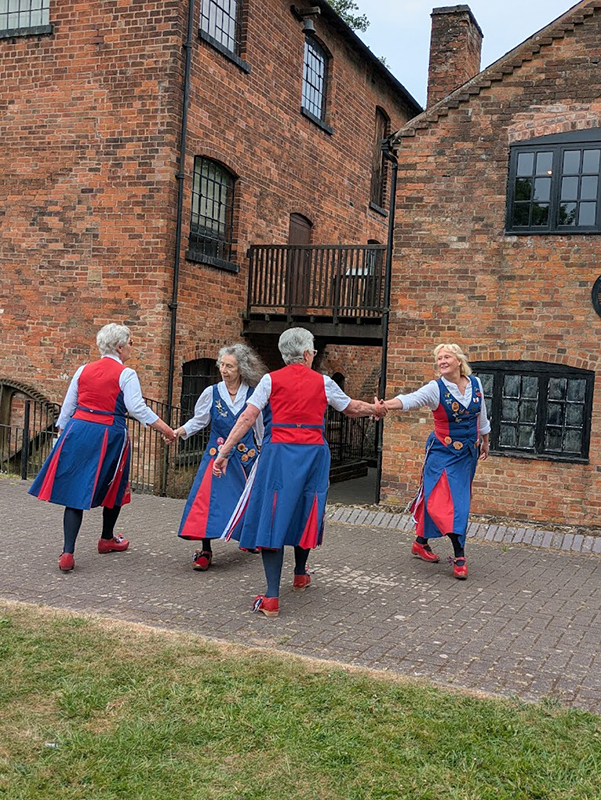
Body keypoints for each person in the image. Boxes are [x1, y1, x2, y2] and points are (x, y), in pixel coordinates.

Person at [213, 327, 386, 617]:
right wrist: (375, 409)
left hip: (278, 454)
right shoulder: (323, 382)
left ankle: (271, 597)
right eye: (313, 351)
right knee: (305, 509)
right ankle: (300, 573)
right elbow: (351, 408)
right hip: (313, 454)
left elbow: (247, 417)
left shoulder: (270, 380)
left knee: (274, 514)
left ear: (285, 354)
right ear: (306, 353)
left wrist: (224, 452)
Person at [29, 323, 176, 572]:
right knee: (114, 484)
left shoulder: (83, 370)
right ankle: (106, 538)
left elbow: (68, 406)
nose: (132, 347)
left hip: (78, 430)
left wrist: (62, 432)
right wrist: (166, 429)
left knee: (75, 490)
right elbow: (137, 408)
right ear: (119, 347)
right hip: (109, 433)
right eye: (130, 343)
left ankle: (67, 553)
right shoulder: (126, 374)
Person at [382, 343, 490, 580]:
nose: (442, 361)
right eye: (439, 358)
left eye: (446, 357)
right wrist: (385, 405)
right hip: (442, 453)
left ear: (458, 361)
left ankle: (420, 543)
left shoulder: (476, 384)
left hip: (467, 455)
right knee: (452, 504)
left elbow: (481, 415)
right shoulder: (435, 388)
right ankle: (459, 556)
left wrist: (485, 441)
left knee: (449, 500)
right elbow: (411, 400)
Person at [173, 343, 266, 570]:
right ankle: (205, 551)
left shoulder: (253, 395)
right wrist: (179, 432)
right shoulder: (211, 393)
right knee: (207, 502)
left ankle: (250, 538)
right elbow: (199, 420)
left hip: (245, 458)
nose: (224, 370)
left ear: (241, 368)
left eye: (230, 366)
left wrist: (265, 452)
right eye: (222, 365)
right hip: (216, 458)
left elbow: (259, 429)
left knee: (249, 499)